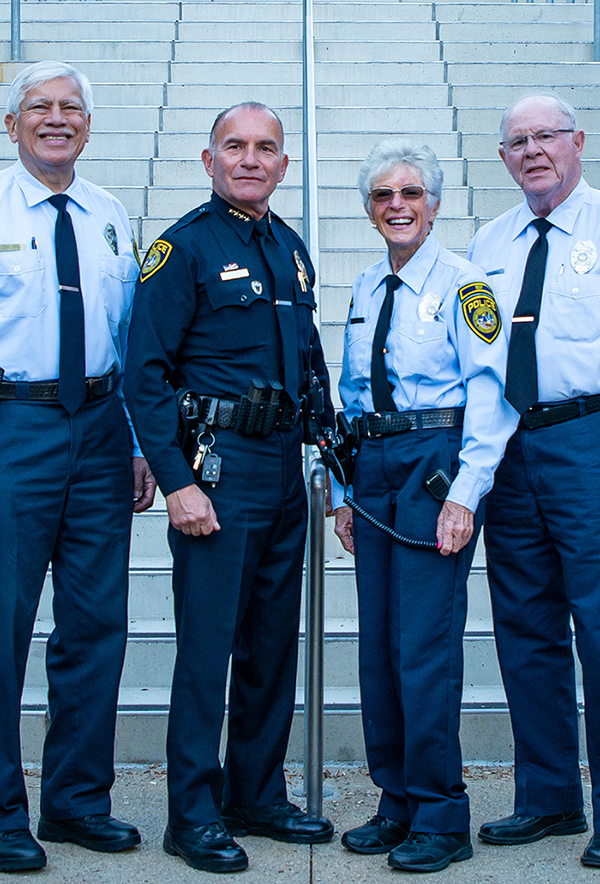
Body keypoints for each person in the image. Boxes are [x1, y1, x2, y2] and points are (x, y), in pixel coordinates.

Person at [124, 102, 335, 874]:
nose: (251, 159)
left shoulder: (289, 246)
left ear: (285, 164)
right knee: (207, 651)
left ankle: (257, 794)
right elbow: (145, 375)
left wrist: (335, 471)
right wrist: (177, 482)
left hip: (283, 469)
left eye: (266, 148)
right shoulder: (180, 249)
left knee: (272, 647)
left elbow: (310, 364)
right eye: (235, 146)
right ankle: (193, 814)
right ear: (207, 159)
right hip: (217, 471)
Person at [331, 140, 516, 873]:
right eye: (383, 196)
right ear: (371, 210)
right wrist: (346, 491)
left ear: (434, 205)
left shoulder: (468, 286)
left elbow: (490, 397)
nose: (398, 205)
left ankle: (441, 813)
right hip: (374, 464)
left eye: (411, 193)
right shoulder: (369, 284)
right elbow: (351, 394)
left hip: (435, 465)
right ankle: (397, 801)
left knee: (423, 649)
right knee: (377, 649)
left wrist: (466, 497)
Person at [0, 61, 156, 873]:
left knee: (96, 625)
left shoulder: (105, 213)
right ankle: (1, 813)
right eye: (39, 107)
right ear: (11, 123)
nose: (56, 119)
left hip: (99, 428)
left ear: (89, 128)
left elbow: (127, 337)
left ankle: (75, 802)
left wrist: (133, 440)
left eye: (71, 109)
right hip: (12, 426)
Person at [468, 93, 600, 868]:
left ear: (579, 140)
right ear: (504, 158)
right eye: (516, 141)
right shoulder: (488, 242)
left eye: (545, 135)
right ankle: (548, 798)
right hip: (511, 449)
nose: (532, 150)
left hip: (588, 440)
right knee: (525, 629)